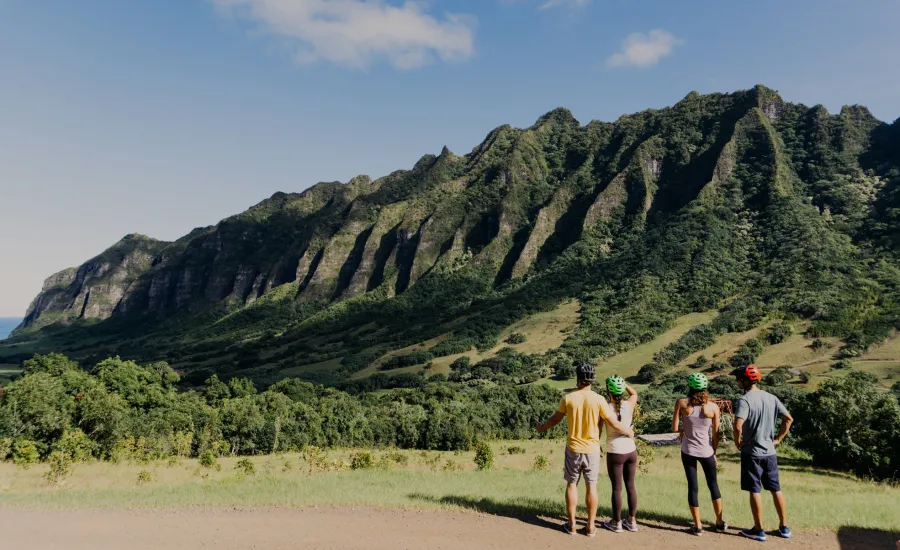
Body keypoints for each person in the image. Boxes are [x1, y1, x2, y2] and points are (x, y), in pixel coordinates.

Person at [537, 362, 635, 537]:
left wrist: (541, 428)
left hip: (573, 448)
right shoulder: (599, 399)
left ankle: (572, 525)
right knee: (592, 486)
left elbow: (554, 420)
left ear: (578, 379)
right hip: (592, 449)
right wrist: (628, 431)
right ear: (593, 380)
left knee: (572, 484)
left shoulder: (568, 398)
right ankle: (590, 527)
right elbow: (613, 423)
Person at [731, 364, 794, 542]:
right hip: (770, 453)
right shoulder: (771, 398)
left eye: (738, 378)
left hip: (752, 453)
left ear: (744, 380)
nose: (736, 382)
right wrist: (778, 439)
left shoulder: (745, 400)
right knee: (776, 489)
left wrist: (738, 442)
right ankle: (784, 527)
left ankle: (759, 530)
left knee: (754, 490)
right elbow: (788, 419)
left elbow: (737, 425)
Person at [672, 373, 726, 536]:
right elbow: (716, 434)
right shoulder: (713, 407)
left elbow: (675, 428)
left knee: (693, 487)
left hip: (688, 451)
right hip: (707, 451)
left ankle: (697, 526)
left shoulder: (681, 403)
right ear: (705, 388)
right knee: (713, 485)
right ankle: (719, 522)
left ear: (690, 386)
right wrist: (714, 452)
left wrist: (683, 431)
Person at [600, 375, 640, 534]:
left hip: (615, 450)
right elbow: (634, 394)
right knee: (630, 485)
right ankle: (632, 521)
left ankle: (616, 522)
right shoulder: (629, 404)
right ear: (622, 390)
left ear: (609, 391)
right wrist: (625, 384)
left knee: (617, 488)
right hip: (631, 449)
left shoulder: (605, 408)